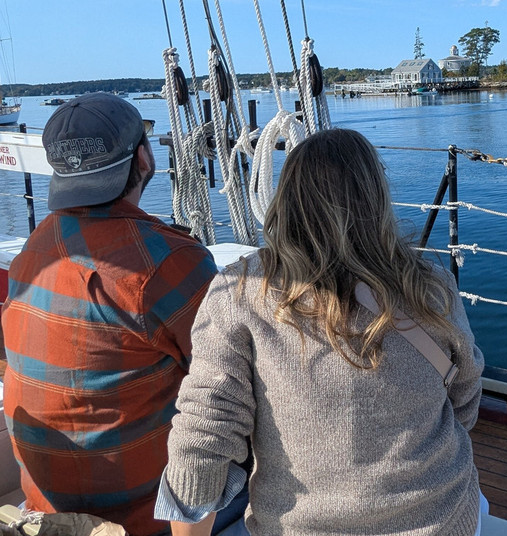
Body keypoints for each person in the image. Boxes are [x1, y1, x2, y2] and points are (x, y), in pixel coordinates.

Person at [156, 128, 486, 536]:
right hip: (441, 520)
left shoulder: (240, 293)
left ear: (286, 199)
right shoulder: (433, 287)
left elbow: (205, 434)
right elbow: (464, 396)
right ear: (377, 196)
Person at [2, 92, 218, 536]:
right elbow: (233, 383)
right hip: (142, 518)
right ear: (143, 157)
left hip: (44, 504)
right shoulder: (170, 261)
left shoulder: (34, 248)